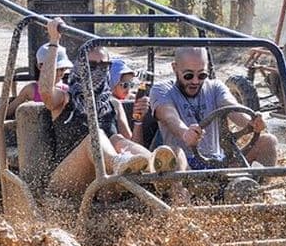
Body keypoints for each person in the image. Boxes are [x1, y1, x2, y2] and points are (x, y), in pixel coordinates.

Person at [39, 18, 181, 197]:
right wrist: (54, 42)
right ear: (81, 67)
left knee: (118, 139)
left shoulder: (112, 104)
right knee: (97, 136)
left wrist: (138, 120)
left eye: (103, 66)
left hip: (106, 179)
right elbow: (45, 92)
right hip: (66, 180)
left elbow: (133, 150)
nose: (98, 71)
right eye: (92, 66)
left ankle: (155, 170)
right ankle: (117, 163)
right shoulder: (65, 98)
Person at [151, 47, 278, 171]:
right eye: (188, 75)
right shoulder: (161, 90)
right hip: (186, 165)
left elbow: (232, 108)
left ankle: (256, 188)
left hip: (219, 162)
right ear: (175, 68)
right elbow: (169, 116)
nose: (195, 81)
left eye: (202, 75)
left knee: (268, 141)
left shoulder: (215, 87)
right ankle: (183, 191)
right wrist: (185, 133)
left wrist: (252, 122)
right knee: (175, 154)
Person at [5, 42, 73, 118]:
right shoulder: (31, 89)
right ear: (40, 66)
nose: (61, 73)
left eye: (64, 69)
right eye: (57, 69)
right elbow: (9, 110)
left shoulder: (68, 90)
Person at [108, 58, 151, 147]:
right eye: (125, 85)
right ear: (112, 84)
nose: (128, 89)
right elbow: (130, 143)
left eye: (131, 84)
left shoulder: (133, 98)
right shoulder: (113, 104)